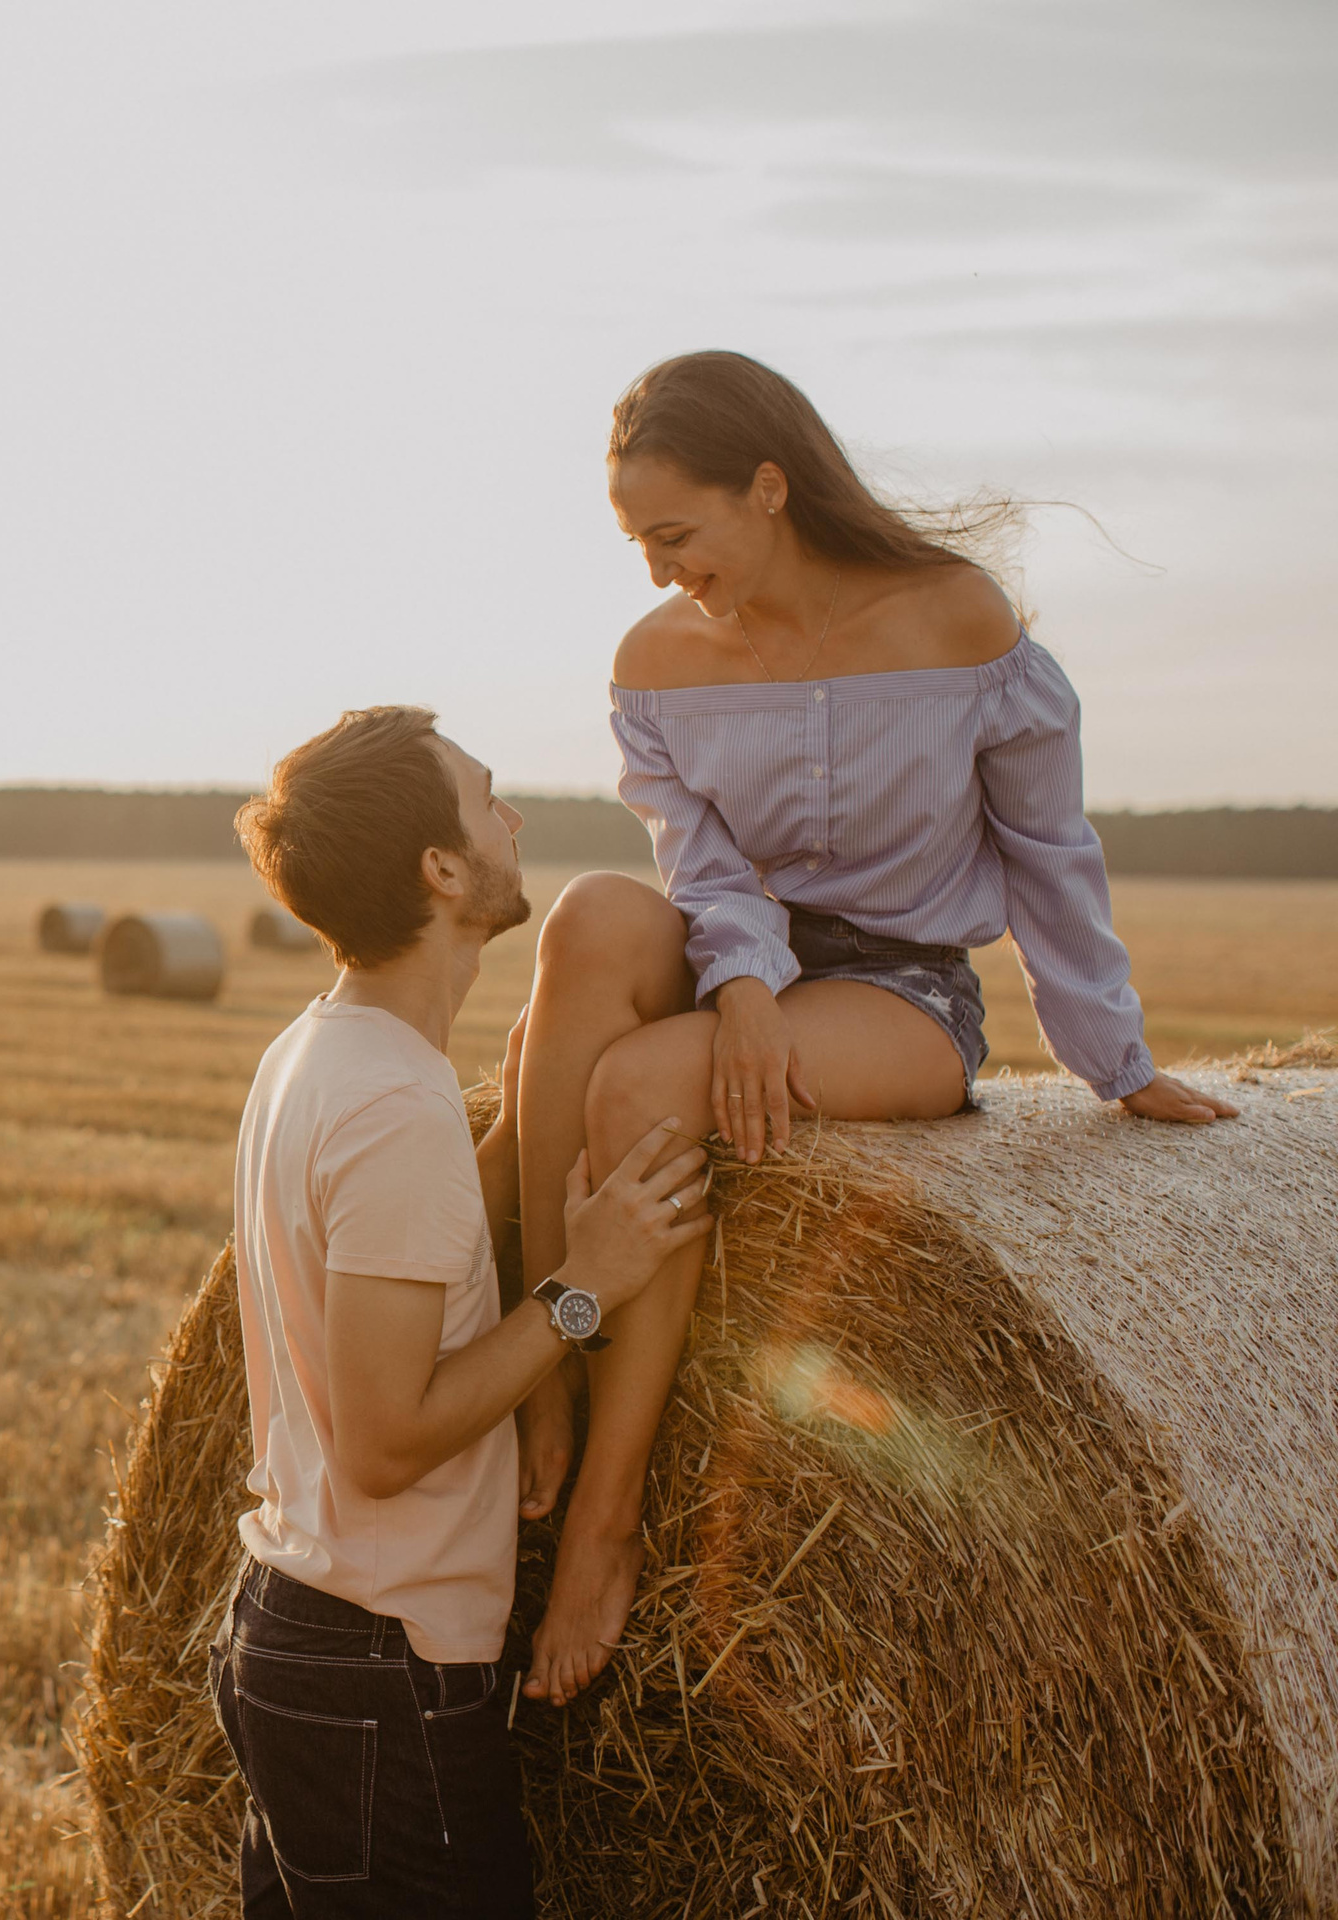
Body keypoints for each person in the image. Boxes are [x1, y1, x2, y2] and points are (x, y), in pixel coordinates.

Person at [508, 350, 1241, 1712]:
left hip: (900, 991)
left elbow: (1049, 849)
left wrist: (1117, 1062)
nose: (659, 572)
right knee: (592, 918)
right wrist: (738, 987)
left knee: (640, 1086)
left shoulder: (957, 624)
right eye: (636, 542)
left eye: (676, 534)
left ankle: (602, 1522)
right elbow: (703, 869)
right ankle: (540, 1369)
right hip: (745, 956)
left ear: (769, 488)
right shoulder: (658, 663)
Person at [213, 705, 712, 1917]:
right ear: (441, 869)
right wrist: (582, 1284)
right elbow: (385, 1441)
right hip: (375, 1671)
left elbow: (407, 1238)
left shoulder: (321, 1056)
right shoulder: (389, 1105)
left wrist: (534, 1117)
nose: (514, 818)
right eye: (487, 800)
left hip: (311, 1645)